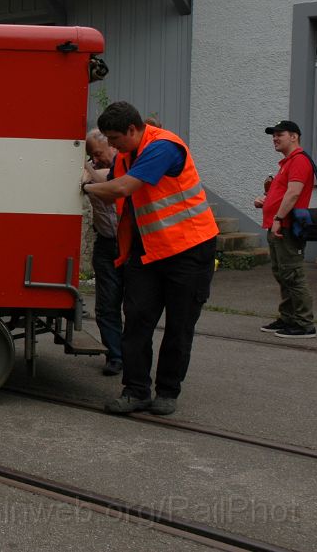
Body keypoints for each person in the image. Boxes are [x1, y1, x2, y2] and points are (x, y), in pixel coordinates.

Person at [83, 101, 218, 416]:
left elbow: (123, 188)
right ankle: (136, 391)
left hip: (189, 250)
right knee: (137, 322)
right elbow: (112, 177)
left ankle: (167, 392)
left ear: (132, 129)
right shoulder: (127, 155)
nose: (112, 146)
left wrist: (86, 188)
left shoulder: (163, 147)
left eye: (115, 138)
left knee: (179, 326)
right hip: (149, 252)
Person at [253, 120, 316, 339]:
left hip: (286, 227)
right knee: (283, 275)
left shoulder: (299, 160)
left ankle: (304, 323)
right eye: (273, 135)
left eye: (280, 134)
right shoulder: (286, 163)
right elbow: (282, 193)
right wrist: (266, 200)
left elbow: (294, 193)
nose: (275, 138)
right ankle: (288, 317)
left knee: (294, 274)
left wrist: (279, 218)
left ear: (294, 137)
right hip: (277, 225)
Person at [82, 129, 123, 375]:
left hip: (130, 245)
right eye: (90, 156)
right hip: (106, 243)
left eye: (97, 154)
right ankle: (115, 355)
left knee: (135, 305)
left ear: (113, 147)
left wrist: (85, 167)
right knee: (107, 304)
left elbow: (109, 184)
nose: (95, 160)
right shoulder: (95, 169)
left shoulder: (123, 167)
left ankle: (132, 354)